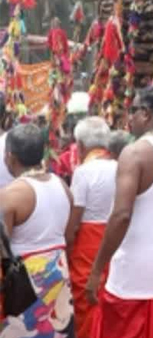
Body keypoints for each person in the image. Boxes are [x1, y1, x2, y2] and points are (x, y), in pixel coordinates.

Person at [88, 86, 153, 338]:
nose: (128, 117)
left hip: (133, 275)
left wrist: (97, 269)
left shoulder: (134, 153)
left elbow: (121, 215)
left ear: (146, 114)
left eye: (132, 110)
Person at [0, 123, 75, 336]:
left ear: (10, 157)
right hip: (59, 277)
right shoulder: (62, 186)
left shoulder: (10, 195)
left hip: (24, 285)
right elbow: (69, 235)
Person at [66, 116, 116, 338]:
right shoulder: (120, 166)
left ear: (81, 145)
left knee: (86, 303)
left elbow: (75, 221)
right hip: (114, 241)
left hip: (87, 246)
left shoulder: (83, 172)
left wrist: (67, 249)